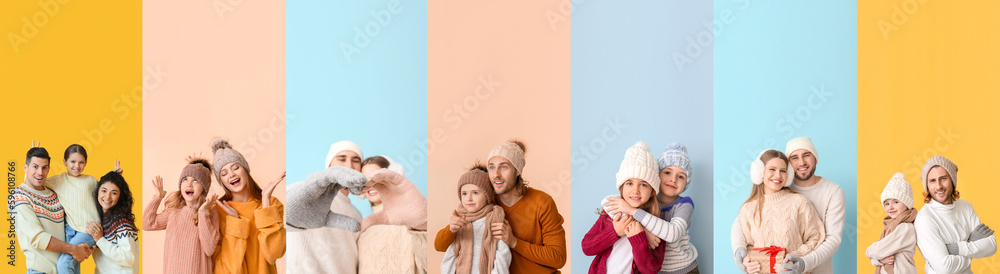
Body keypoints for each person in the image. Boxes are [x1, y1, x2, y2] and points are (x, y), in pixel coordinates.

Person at [435, 140, 568, 273]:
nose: (496, 174)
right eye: (492, 167)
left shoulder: (542, 202)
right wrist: (451, 229)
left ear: (517, 171)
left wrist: (514, 242)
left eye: (504, 167)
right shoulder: (485, 204)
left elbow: (558, 258)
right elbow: (440, 246)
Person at [914, 156, 996, 273]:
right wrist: (971, 245)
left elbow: (992, 246)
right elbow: (945, 268)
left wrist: (958, 248)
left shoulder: (965, 207)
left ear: (952, 180)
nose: (938, 186)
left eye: (943, 178)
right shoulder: (925, 218)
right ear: (927, 185)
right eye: (932, 180)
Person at [143, 156, 220, 273]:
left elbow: (209, 249)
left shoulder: (211, 212)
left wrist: (203, 212)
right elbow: (147, 224)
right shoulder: (173, 211)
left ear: (204, 188)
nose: (189, 184)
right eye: (185, 180)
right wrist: (158, 197)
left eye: (195, 180)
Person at [441, 164, 511, 274]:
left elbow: (502, 253)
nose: (469, 199)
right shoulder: (459, 220)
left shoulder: (495, 218)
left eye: (475, 193)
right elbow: (450, 253)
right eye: (464, 193)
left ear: (487, 195)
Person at [864, 172, 917, 274]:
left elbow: (876, 251)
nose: (890, 207)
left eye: (896, 202)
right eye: (887, 203)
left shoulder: (905, 228)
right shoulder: (890, 226)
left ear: (907, 203)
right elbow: (879, 253)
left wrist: (870, 253)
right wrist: (879, 260)